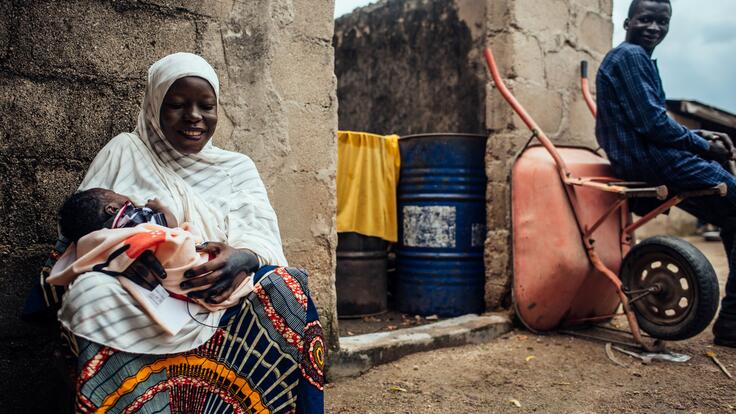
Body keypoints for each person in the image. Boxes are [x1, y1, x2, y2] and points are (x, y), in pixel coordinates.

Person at [39, 53, 325, 412]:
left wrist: (242, 257)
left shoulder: (236, 168)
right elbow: (80, 235)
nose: (194, 117)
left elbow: (262, 236)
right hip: (143, 292)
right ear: (155, 105)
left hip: (218, 287)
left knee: (287, 287)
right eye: (176, 105)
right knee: (89, 294)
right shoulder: (125, 151)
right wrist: (119, 261)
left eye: (206, 106)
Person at [596, 0, 736, 348]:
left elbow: (653, 119)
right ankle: (733, 320)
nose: (654, 28)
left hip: (651, 156)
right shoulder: (628, 56)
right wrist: (703, 146)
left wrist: (702, 139)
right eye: (646, 20)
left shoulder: (639, 60)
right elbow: (652, 123)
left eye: (662, 21)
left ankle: (733, 320)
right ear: (628, 21)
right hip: (649, 160)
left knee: (732, 211)